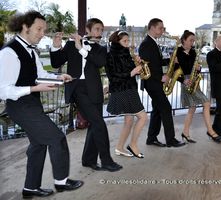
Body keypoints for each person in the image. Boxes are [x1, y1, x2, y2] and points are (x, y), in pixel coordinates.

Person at [0, 10, 83, 198]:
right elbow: (3, 90)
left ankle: (30, 188)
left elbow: (39, 75)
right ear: (24, 27)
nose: (42, 33)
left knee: (38, 145)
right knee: (56, 138)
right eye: (38, 29)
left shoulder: (31, 50)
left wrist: (58, 77)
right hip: (20, 107)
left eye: (43, 30)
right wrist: (33, 89)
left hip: (31, 105)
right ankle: (61, 182)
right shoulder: (8, 53)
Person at [50, 18, 122, 172]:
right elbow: (56, 63)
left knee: (94, 125)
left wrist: (81, 48)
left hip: (94, 89)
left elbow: (100, 62)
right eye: (97, 29)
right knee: (99, 124)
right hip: (77, 88)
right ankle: (106, 161)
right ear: (88, 30)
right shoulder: (70, 43)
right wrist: (56, 46)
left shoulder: (101, 48)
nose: (99, 32)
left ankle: (88, 160)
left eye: (101, 30)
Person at [138, 18, 185, 148]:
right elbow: (147, 66)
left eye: (163, 28)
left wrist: (169, 61)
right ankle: (171, 140)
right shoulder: (146, 44)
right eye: (160, 28)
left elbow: (155, 62)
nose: (162, 30)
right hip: (152, 83)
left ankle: (151, 138)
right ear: (152, 28)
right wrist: (161, 77)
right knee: (166, 108)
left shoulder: (152, 43)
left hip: (154, 82)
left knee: (157, 110)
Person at [106, 30, 147, 158]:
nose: (127, 43)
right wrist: (132, 72)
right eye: (125, 41)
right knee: (143, 117)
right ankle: (133, 145)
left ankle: (119, 148)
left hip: (129, 89)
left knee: (129, 121)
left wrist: (138, 65)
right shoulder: (110, 55)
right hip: (123, 90)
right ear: (117, 42)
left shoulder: (126, 54)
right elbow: (113, 77)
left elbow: (131, 72)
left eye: (128, 41)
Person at [175, 30, 221, 143]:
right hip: (186, 82)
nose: (193, 42)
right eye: (191, 40)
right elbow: (174, 71)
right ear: (184, 40)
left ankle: (185, 133)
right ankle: (210, 131)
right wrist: (183, 80)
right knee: (206, 103)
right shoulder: (177, 52)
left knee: (192, 108)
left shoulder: (193, 52)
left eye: (193, 40)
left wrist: (199, 68)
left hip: (194, 81)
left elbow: (198, 67)